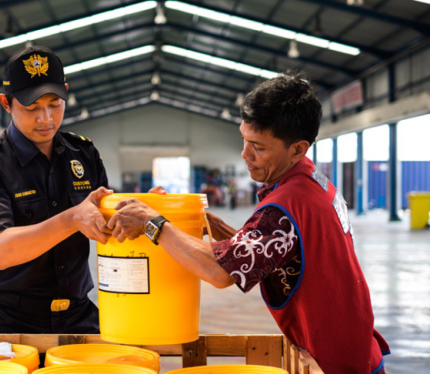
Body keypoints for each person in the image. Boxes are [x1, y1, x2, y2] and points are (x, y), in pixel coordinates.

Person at [107, 73, 389, 374]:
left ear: (297, 149)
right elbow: (272, 250)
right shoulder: (314, 183)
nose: (245, 154)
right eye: (244, 139)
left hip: (336, 364)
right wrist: (208, 225)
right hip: (356, 348)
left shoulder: (285, 206)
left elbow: (219, 272)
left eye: (259, 147)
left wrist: (152, 223)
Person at [0, 45, 112, 334]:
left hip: (79, 315)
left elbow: (103, 215)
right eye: (32, 108)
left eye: (55, 104)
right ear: (6, 102)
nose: (46, 119)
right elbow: (1, 252)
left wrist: (144, 207)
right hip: (9, 320)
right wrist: (71, 219)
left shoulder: (83, 153)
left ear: (66, 92)